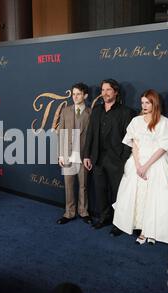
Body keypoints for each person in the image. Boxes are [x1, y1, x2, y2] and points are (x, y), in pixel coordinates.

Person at [112, 89, 168, 245]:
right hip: (136, 164)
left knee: (153, 199)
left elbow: (163, 147)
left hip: (156, 164)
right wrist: (138, 164)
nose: (144, 106)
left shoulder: (165, 122)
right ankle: (138, 227)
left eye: (148, 102)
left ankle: (149, 231)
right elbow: (134, 144)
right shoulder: (136, 121)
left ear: (155, 103)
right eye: (142, 103)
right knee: (138, 196)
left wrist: (146, 166)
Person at [83, 79, 135, 236]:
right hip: (97, 158)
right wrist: (87, 155)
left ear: (116, 92)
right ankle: (104, 217)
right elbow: (90, 134)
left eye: (108, 90)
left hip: (116, 160)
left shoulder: (126, 112)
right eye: (103, 90)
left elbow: (130, 138)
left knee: (118, 193)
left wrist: (124, 158)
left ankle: (118, 224)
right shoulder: (97, 110)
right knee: (100, 190)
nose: (105, 93)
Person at [57, 83, 92, 225]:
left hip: (83, 155)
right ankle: (69, 213)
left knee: (83, 185)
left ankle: (83, 212)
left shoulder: (91, 113)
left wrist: (89, 155)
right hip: (67, 154)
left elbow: (92, 136)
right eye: (73, 94)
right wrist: (60, 154)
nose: (75, 97)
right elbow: (61, 133)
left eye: (78, 94)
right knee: (69, 185)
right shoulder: (65, 111)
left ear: (85, 96)